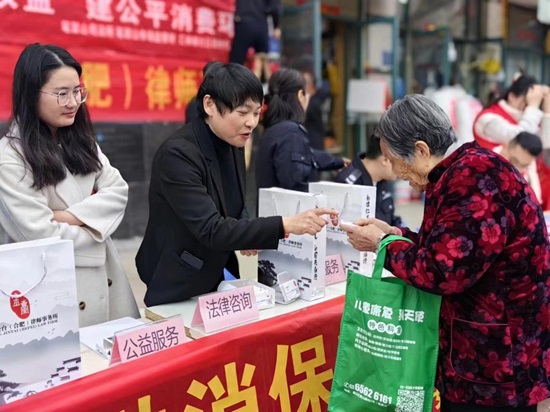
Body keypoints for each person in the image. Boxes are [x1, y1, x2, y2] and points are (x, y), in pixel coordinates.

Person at [341, 94, 550, 411]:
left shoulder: (473, 179)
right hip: (490, 354)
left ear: (421, 151)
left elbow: (443, 271)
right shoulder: (463, 170)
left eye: (394, 160)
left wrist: (381, 246)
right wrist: (395, 234)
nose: (397, 172)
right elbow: (447, 245)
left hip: (495, 364)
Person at [136, 62, 336, 307]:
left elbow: (234, 202)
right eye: (242, 113)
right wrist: (285, 224)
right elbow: (211, 228)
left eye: (256, 113)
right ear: (209, 104)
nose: (251, 122)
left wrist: (247, 232)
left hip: (220, 272)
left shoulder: (233, 141)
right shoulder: (177, 154)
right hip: (179, 277)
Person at [0, 43, 139, 327]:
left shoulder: (81, 141)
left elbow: (118, 191)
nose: (73, 102)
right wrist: (97, 226)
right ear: (30, 95)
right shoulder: (10, 158)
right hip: (52, 295)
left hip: (109, 284)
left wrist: (65, 216)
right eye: (61, 94)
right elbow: (42, 236)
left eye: (77, 91)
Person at [256, 68, 348, 192]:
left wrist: (339, 162)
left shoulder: (274, 129)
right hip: (290, 211)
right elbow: (296, 185)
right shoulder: (291, 132)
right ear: (300, 95)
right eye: (306, 94)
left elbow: (307, 156)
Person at [335, 137, 401, 227]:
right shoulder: (348, 184)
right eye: (399, 161)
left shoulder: (383, 179)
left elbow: (391, 219)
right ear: (385, 159)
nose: (403, 168)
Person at [473, 75, 550, 150]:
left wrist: (547, 111)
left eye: (535, 100)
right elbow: (523, 141)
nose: (528, 107)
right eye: (527, 100)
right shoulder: (487, 118)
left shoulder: (527, 117)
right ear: (512, 96)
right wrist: (533, 106)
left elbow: (545, 144)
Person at [230, 0, 281, 80]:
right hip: (260, 24)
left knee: (236, 64)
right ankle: (268, 89)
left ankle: (233, 87)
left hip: (243, 23)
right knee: (263, 61)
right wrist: (276, 26)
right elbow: (274, 7)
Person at [303, 71, 331, 151]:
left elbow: (311, 110)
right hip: (304, 135)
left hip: (315, 136)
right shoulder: (302, 97)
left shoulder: (320, 96)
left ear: (310, 84)